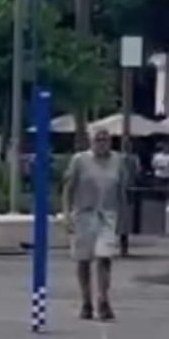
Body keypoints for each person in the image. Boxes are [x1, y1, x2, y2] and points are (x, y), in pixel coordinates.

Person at [63, 129, 129, 321]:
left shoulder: (118, 161)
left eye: (105, 139)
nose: (101, 143)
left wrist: (123, 218)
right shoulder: (80, 160)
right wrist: (67, 215)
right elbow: (68, 188)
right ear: (91, 141)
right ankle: (86, 301)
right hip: (84, 214)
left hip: (107, 215)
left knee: (104, 257)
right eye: (97, 139)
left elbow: (121, 190)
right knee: (83, 260)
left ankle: (103, 300)